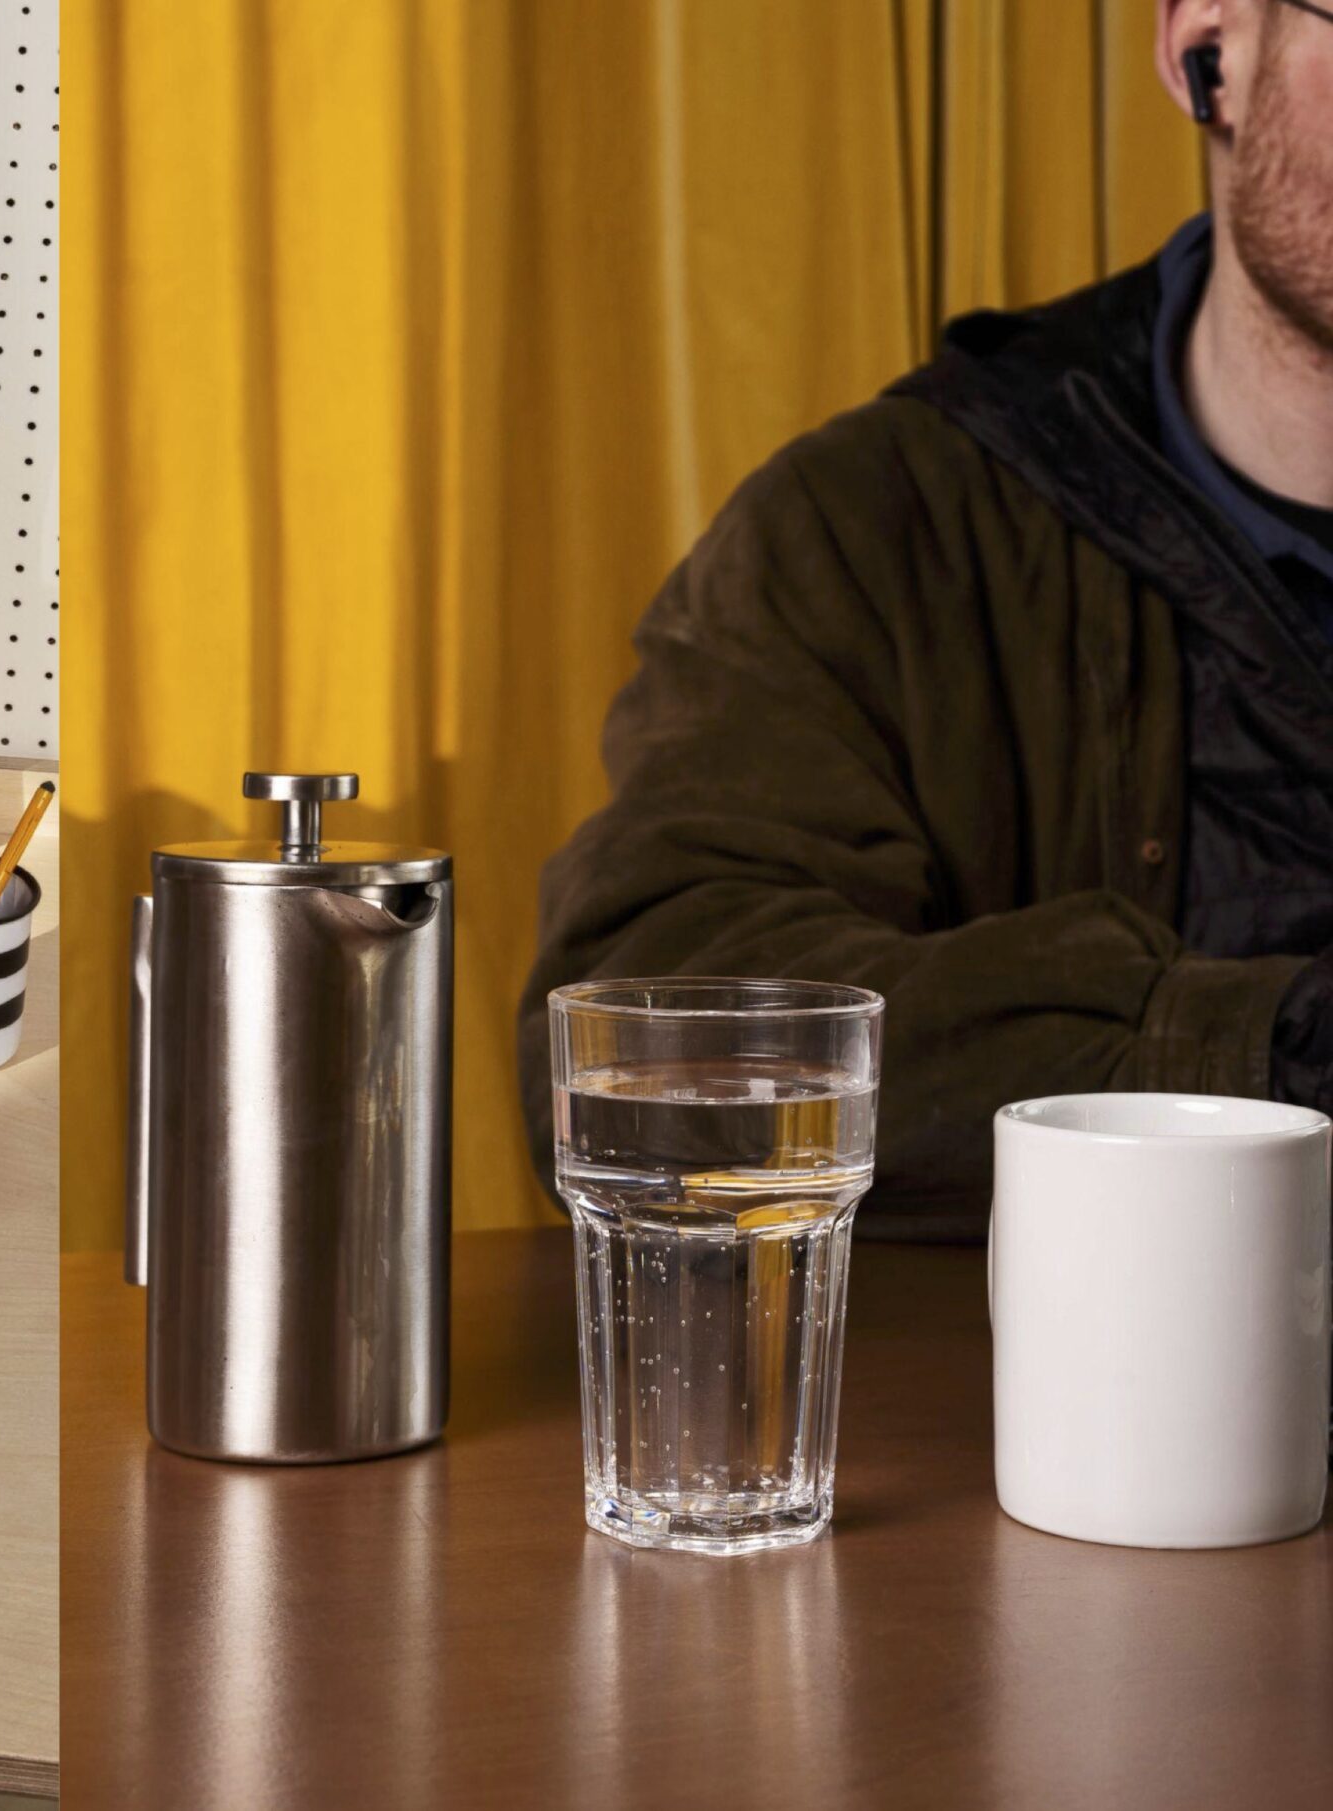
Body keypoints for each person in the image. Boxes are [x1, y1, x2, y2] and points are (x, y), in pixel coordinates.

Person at [519, 0, 1333, 1239]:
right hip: (1039, 1420)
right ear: (1205, 49)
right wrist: (1259, 1057)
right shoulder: (880, 532)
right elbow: (641, 1054)